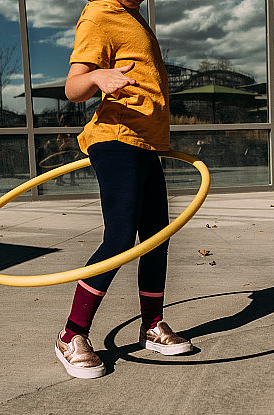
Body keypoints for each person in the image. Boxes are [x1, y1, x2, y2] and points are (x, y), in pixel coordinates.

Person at [55, 0, 192, 379]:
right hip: (116, 139)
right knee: (119, 240)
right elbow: (72, 87)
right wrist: (99, 77)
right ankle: (72, 335)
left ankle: (152, 326)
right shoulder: (99, 15)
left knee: (155, 238)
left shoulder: (133, 17)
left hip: (145, 144)